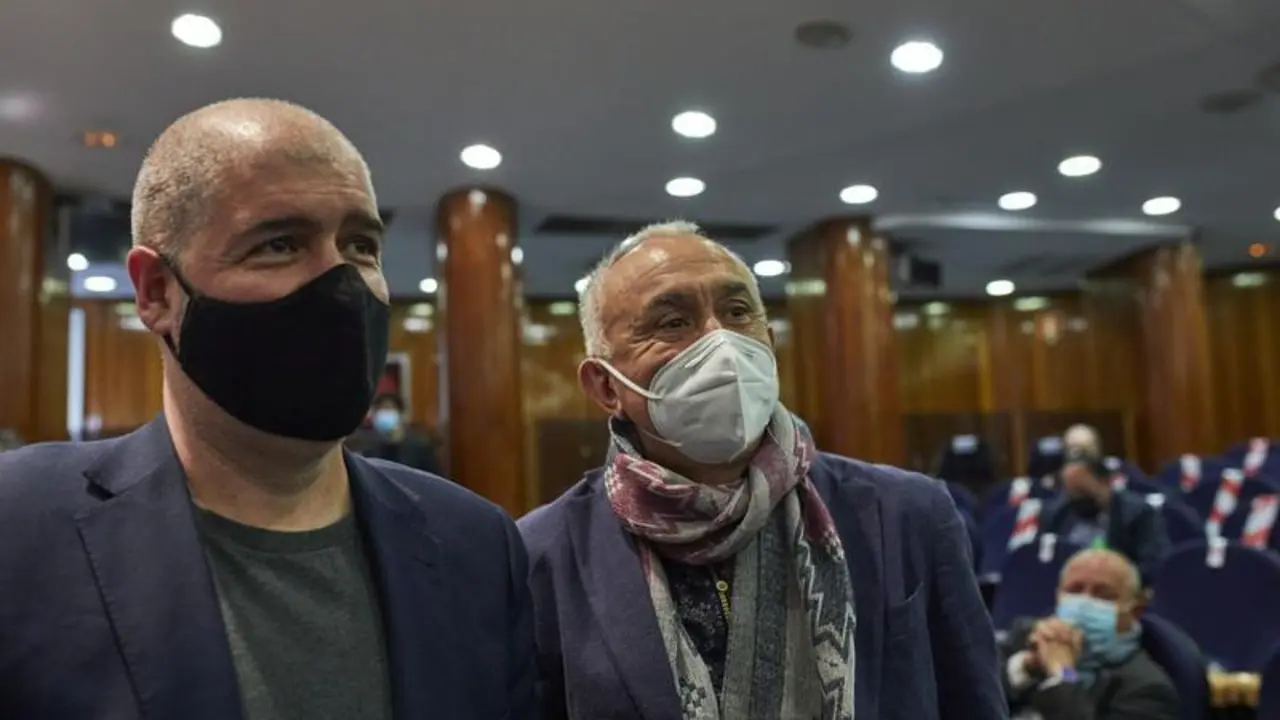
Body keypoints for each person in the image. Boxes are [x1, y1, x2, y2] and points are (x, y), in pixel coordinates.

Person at [0, 99, 536, 720]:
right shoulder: (20, 527)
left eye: (361, 245)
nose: (343, 283)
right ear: (157, 292)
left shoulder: (475, 545)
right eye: (280, 243)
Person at [518, 221, 1006, 720]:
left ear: (768, 344)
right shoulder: (542, 557)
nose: (721, 342)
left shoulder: (907, 515)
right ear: (605, 385)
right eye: (673, 322)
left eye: (737, 312)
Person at [1000, 549, 1179, 720]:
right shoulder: (1028, 637)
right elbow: (985, 700)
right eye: (1074, 590)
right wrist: (1025, 667)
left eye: (1104, 596)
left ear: (1136, 610)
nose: (1084, 602)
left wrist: (1063, 675)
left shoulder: (1148, 690)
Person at [1041, 449, 1170, 583]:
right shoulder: (1058, 515)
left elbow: (1153, 564)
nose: (1076, 499)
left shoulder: (1139, 514)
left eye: (1082, 491)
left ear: (1106, 482)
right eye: (1071, 493)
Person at [355, 394, 442, 474]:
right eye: (380, 410)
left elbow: (434, 477)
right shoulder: (366, 445)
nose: (385, 414)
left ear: (401, 414)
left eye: (389, 409)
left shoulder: (420, 446)